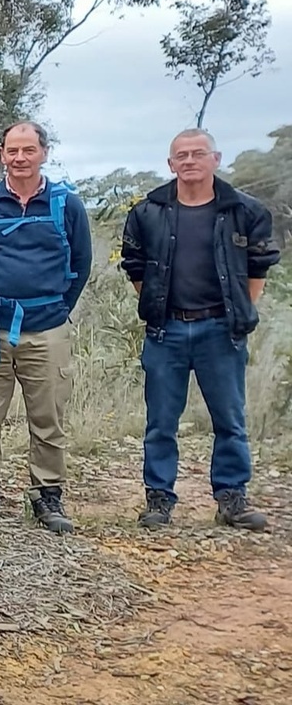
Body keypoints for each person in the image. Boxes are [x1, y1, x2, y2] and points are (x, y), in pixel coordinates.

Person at [121, 128, 280, 531]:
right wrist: (158, 305)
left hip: (220, 331)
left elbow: (258, 267)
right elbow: (135, 267)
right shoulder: (148, 211)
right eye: (181, 156)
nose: (189, 161)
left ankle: (232, 497)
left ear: (216, 158)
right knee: (161, 421)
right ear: (170, 164)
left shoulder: (246, 211)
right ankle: (159, 499)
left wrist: (238, 311)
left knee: (229, 418)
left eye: (198, 154)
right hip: (166, 330)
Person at [0, 121, 92, 534]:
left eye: (28, 150)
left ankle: (47, 495)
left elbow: (80, 265)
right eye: (12, 151)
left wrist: (53, 309)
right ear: (2, 154)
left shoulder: (66, 203)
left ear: (43, 153)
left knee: (48, 414)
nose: (19, 158)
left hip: (46, 328)